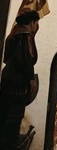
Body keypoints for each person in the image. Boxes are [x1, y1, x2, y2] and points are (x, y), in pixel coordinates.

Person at [0, 10, 40, 149]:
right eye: (37, 23)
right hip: (18, 81)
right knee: (14, 116)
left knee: (4, 113)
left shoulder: (13, 35)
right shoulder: (26, 35)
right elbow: (27, 59)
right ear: (32, 23)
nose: (37, 26)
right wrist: (31, 80)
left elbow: (6, 58)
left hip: (7, 77)